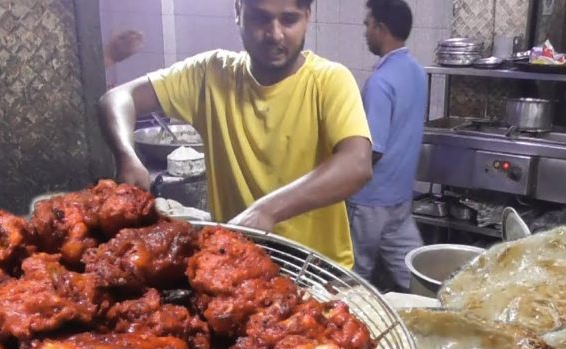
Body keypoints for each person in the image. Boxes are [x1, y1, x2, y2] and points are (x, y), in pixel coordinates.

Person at [97, 0, 372, 268]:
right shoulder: (210, 74)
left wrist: (266, 211)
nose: (274, 34)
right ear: (238, 11)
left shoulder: (329, 80)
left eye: (288, 20)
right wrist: (126, 153)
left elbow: (356, 164)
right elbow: (118, 98)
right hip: (233, 266)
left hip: (316, 272)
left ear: (307, 17)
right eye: (260, 18)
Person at [346, 0, 425, 291]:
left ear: (381, 28)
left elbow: (372, 150)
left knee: (355, 275)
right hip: (401, 196)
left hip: (370, 200)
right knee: (413, 275)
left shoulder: (380, 82)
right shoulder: (417, 72)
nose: (365, 31)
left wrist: (340, 173)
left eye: (368, 25)